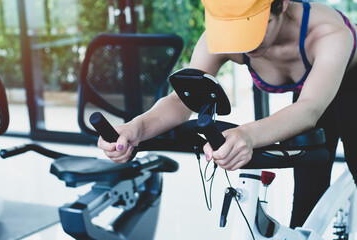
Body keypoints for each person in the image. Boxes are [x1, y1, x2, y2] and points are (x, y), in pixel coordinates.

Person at [97, 0, 357, 228]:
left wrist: (247, 134)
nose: (246, 41)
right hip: (310, 91)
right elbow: (182, 100)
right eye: (237, 29)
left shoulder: (328, 33)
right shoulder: (222, 34)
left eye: (254, 26)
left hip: (348, 82)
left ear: (282, 4)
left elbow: (309, 108)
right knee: (307, 197)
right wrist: (136, 128)